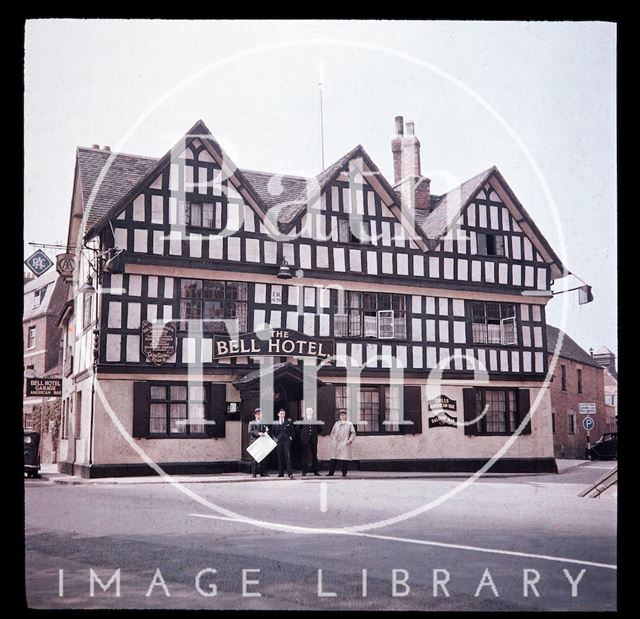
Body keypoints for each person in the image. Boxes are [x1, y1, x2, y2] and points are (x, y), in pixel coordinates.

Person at [327, 409, 356, 477]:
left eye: (343, 415)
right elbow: (332, 432)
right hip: (336, 443)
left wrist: (350, 440)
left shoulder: (349, 424)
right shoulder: (336, 424)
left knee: (344, 459)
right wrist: (333, 439)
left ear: (345, 416)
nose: (342, 416)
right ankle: (331, 472)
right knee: (334, 458)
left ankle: (344, 473)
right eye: (341, 415)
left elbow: (353, 433)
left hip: (345, 443)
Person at [297, 407, 321, 477]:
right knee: (304, 455)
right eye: (308, 411)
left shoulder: (315, 419)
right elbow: (298, 428)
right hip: (305, 439)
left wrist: (314, 433)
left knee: (314, 454)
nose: (309, 412)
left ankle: (316, 471)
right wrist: (302, 435)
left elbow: (320, 428)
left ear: (312, 412)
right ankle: (304, 471)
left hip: (313, 439)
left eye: (310, 411)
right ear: (306, 412)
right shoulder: (302, 419)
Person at [272, 408, 294, 478]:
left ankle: (289, 473)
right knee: (280, 457)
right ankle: (281, 473)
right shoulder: (275, 423)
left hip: (286, 442)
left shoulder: (288, 423)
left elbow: (293, 432)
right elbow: (272, 433)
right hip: (279, 442)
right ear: (278, 414)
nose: (282, 415)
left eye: (283, 414)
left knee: (288, 457)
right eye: (281, 414)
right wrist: (275, 439)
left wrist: (290, 438)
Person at [248, 408, 270, 478]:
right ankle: (254, 473)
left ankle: (263, 473)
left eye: (260, 414)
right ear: (255, 415)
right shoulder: (252, 422)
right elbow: (250, 431)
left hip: (262, 442)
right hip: (255, 442)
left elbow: (266, 431)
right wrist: (258, 433)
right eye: (257, 414)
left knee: (263, 458)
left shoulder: (263, 422)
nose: (259, 415)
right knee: (255, 458)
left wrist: (267, 431)